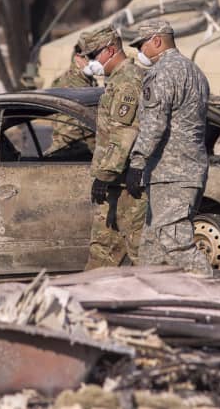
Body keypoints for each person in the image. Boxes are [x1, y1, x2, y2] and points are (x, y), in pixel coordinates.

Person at [125, 19, 212, 274]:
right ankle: (151, 302)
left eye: (142, 44)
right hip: (186, 170)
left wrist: (137, 161)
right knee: (152, 247)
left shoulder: (163, 72)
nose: (140, 51)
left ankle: (210, 292)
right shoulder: (195, 71)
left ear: (157, 40)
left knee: (175, 244)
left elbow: (154, 123)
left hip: (171, 173)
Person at [83, 26, 147, 269]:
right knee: (102, 251)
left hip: (125, 184)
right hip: (115, 182)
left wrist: (104, 174)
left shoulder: (128, 81)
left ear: (110, 50)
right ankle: (95, 299)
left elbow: (123, 134)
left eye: (93, 56)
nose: (91, 63)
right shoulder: (116, 80)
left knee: (138, 251)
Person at [48, 35, 98, 154]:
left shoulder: (88, 81)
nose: (96, 61)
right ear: (77, 57)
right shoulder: (68, 85)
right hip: (71, 154)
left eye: (97, 56)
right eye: (90, 57)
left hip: (85, 152)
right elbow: (69, 130)